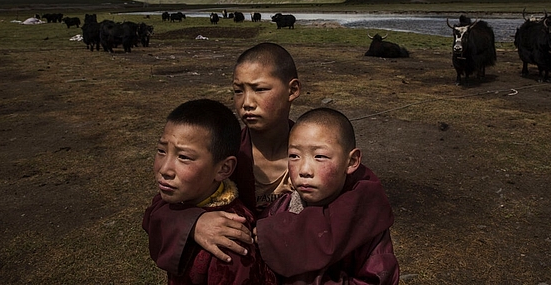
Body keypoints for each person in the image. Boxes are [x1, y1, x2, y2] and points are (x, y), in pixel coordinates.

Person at [143, 43, 394, 278]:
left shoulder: (324, 156)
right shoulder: (226, 156)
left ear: (292, 90)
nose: (246, 103)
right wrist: (194, 223)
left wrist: (273, 236)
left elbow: (364, 208)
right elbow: (160, 206)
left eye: (260, 89)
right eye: (238, 91)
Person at [256, 107, 399, 284]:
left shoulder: (366, 218)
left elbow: (378, 278)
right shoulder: (280, 211)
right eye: (294, 156)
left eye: (320, 156)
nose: (304, 170)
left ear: (352, 161)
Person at [142, 99, 276, 284]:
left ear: (224, 169)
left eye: (184, 157)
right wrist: (192, 223)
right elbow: (154, 213)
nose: (165, 169)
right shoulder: (186, 197)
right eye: (161, 151)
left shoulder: (229, 241)